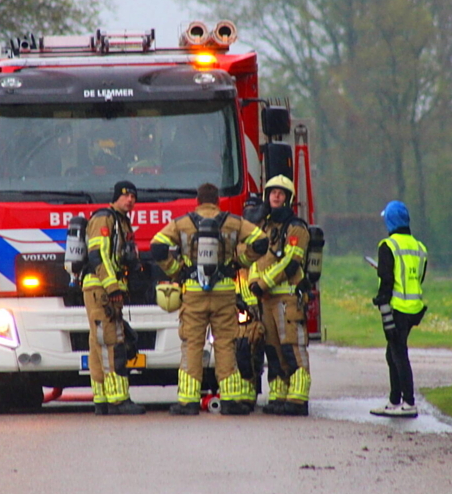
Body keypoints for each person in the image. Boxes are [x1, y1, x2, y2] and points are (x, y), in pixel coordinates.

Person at [151, 182, 268, 415]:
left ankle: (188, 401)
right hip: (224, 293)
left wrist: (177, 271)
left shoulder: (183, 223)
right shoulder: (233, 222)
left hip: (193, 293)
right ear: (217, 201)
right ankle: (230, 399)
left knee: (192, 344)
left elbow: (157, 247)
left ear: (197, 201)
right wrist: (239, 263)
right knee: (225, 344)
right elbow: (261, 241)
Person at [249, 175, 312, 417]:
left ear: (288, 198)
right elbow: (256, 259)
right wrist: (254, 282)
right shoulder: (265, 228)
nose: (276, 196)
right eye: (272, 192)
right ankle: (278, 395)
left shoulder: (296, 227)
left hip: (288, 299)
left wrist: (263, 283)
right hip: (267, 300)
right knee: (272, 350)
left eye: (281, 193)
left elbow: (291, 262)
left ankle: (298, 397)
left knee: (292, 347)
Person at [83, 180, 146, 415]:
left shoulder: (121, 221)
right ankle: (118, 399)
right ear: (115, 196)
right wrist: (112, 288)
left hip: (103, 289)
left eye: (134, 197)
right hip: (101, 289)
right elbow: (98, 255)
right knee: (112, 342)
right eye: (125, 195)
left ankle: (101, 399)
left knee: (98, 344)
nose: (130, 200)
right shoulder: (104, 218)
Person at [370, 200, 428, 418]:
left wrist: (381, 300)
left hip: (396, 308)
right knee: (392, 353)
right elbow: (419, 276)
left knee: (398, 354)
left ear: (390, 220)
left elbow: (387, 280)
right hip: (414, 308)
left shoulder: (388, 246)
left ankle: (408, 402)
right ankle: (395, 400)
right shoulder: (420, 247)